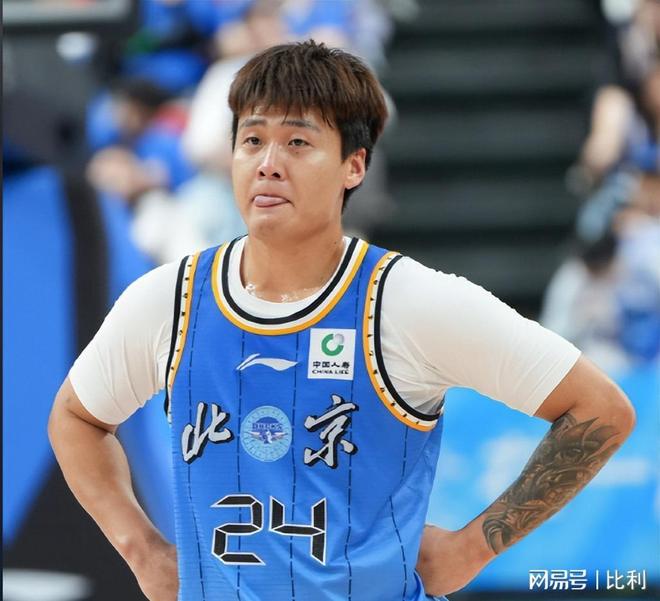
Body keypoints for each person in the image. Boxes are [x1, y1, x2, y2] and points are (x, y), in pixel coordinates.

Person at [48, 41, 636, 601]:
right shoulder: (168, 299)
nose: (268, 164)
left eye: (297, 142)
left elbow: (600, 409)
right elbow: (75, 418)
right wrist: (143, 550)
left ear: (354, 166)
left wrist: (473, 548)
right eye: (252, 140)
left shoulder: (409, 301)